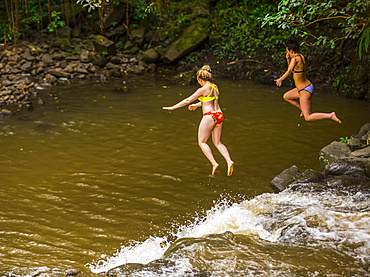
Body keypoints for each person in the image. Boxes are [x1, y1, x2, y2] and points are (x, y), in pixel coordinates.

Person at [163, 65, 234, 176]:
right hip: (219, 115)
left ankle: (214, 163)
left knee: (202, 142)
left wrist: (173, 107)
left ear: (200, 79)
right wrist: (197, 105)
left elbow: (187, 100)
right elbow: (209, 101)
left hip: (209, 116)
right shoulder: (215, 87)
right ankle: (229, 161)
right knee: (217, 142)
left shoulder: (202, 89)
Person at [274, 36, 342, 123]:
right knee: (287, 96)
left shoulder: (295, 59)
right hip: (305, 87)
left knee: (308, 117)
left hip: (304, 90)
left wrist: (280, 79)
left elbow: (290, 70)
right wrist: (288, 59)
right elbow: (293, 69)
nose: (287, 53)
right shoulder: (300, 56)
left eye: (287, 51)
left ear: (291, 51)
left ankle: (330, 115)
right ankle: (302, 109)